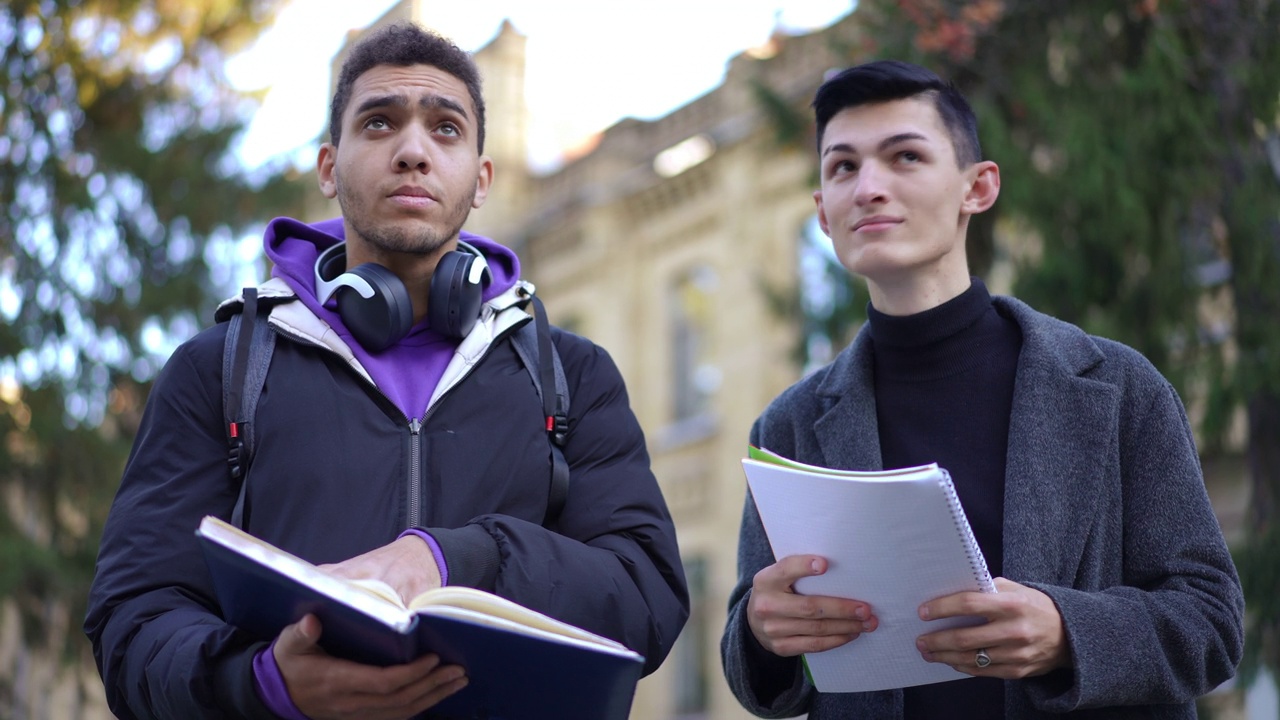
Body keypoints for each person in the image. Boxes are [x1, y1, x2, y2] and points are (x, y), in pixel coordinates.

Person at [85, 22, 688, 720]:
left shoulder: (571, 374)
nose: (412, 152)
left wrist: (458, 559)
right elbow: (134, 621)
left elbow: (647, 597)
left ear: (482, 178)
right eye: (379, 123)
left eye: (446, 129)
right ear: (329, 167)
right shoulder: (220, 368)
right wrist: (262, 684)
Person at [720, 60, 1243, 719]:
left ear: (978, 187)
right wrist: (763, 635)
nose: (869, 187)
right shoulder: (789, 426)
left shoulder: (1117, 387)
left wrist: (1067, 632)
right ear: (823, 213)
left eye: (905, 156)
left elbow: (1213, 625)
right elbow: (753, 664)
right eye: (843, 167)